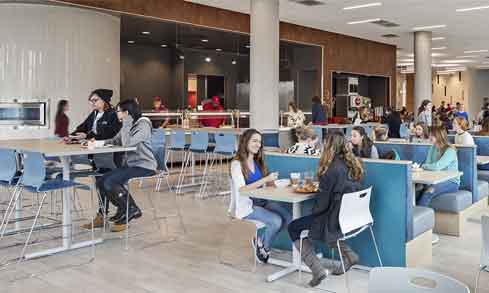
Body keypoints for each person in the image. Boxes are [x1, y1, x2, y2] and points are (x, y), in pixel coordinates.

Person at [287, 132, 363, 286]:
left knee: (294, 227)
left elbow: (321, 206)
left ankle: (317, 269)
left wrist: (315, 210)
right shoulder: (353, 165)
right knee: (327, 229)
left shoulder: (331, 171)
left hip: (333, 219)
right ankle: (349, 255)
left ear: (329, 147)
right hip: (350, 216)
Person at [82, 99, 157, 232]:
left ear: (126, 113)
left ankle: (130, 209)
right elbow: (115, 140)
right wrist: (97, 143)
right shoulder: (130, 124)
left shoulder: (143, 125)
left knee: (111, 181)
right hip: (131, 165)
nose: (116, 114)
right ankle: (124, 208)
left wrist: (126, 123)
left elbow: (127, 143)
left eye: (118, 111)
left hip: (145, 166)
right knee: (101, 181)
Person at [229, 129, 292, 263]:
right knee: (276, 221)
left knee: (288, 218)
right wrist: (265, 180)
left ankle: (260, 241)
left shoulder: (258, 162)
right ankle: (264, 249)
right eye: (254, 141)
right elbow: (242, 189)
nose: (258, 144)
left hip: (262, 201)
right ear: (245, 142)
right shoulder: (237, 164)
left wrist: (275, 182)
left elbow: (266, 184)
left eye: (260, 142)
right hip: (248, 207)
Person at [417, 127, 460, 207]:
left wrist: (423, 166)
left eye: (432, 135)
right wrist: (426, 166)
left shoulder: (450, 150)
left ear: (439, 136)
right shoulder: (432, 147)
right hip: (434, 179)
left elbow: (437, 166)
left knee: (429, 191)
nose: (430, 137)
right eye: (430, 135)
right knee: (417, 189)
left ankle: (417, 216)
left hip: (451, 181)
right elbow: (428, 163)